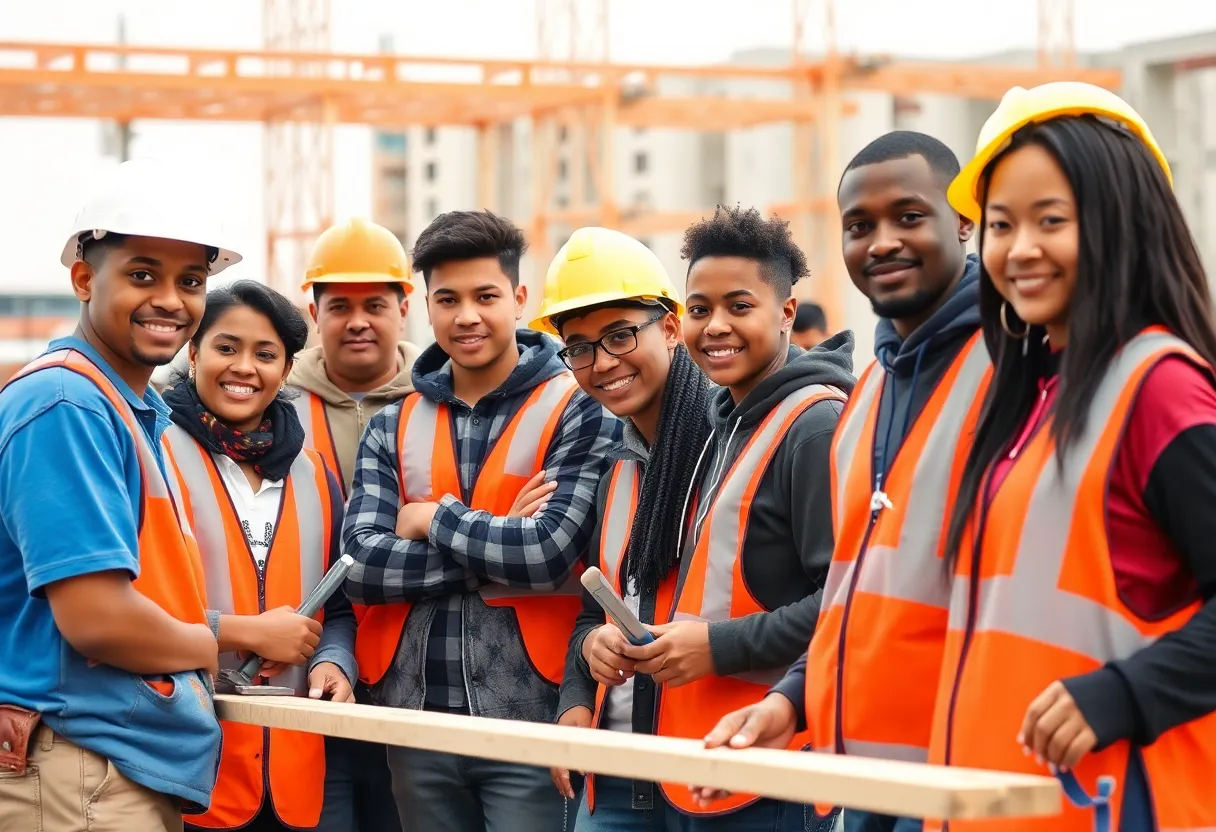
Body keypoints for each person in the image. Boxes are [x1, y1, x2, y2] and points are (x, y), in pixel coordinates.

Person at [930, 83, 1216, 831]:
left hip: (1113, 806)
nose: (1018, 249)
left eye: (1049, 220)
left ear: (1122, 222)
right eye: (999, 225)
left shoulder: (1161, 392)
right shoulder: (1028, 400)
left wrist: (1125, 694)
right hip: (999, 807)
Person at [695, 132, 992, 832]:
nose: (881, 241)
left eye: (908, 216)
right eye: (860, 226)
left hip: (972, 775)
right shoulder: (870, 396)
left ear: (964, 222)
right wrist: (792, 701)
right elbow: (857, 594)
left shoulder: (1014, 368)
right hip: (866, 778)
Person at [342, 209, 620, 832]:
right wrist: (497, 539)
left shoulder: (579, 407)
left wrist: (431, 518)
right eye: (448, 299)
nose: (467, 315)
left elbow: (550, 554)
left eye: (486, 295)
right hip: (416, 721)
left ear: (519, 299)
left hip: (533, 717)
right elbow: (359, 566)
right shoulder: (392, 422)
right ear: (427, 310)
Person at [0, 158, 236, 831]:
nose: (171, 299)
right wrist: (219, 646)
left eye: (190, 281)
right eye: (142, 275)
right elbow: (98, 619)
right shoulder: (66, 402)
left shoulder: (126, 409)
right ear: (83, 278)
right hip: (80, 770)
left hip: (101, 766)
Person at [612, 205, 854, 828]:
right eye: (699, 310)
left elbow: (846, 602)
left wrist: (720, 647)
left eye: (739, 306)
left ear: (787, 314)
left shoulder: (812, 426)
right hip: (713, 755)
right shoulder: (728, 427)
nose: (715, 326)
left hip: (777, 767)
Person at [528, 226, 716, 827]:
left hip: (717, 772)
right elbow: (601, 601)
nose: (601, 363)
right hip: (616, 774)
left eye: (619, 335)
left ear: (669, 325)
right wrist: (579, 687)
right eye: (579, 346)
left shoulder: (732, 444)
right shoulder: (617, 461)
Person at [161, 280, 357, 832]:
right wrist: (245, 631)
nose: (244, 367)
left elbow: (338, 608)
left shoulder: (315, 472)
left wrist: (333, 662)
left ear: (288, 368)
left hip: (297, 776)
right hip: (189, 773)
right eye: (226, 348)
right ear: (194, 351)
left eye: (265, 354)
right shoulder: (151, 452)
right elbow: (126, 606)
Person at [286, 216, 417, 832]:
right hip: (299, 668)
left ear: (404, 308)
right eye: (339, 305)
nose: (358, 320)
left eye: (374, 304)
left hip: (414, 672)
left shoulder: (444, 398)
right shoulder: (272, 397)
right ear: (314, 312)